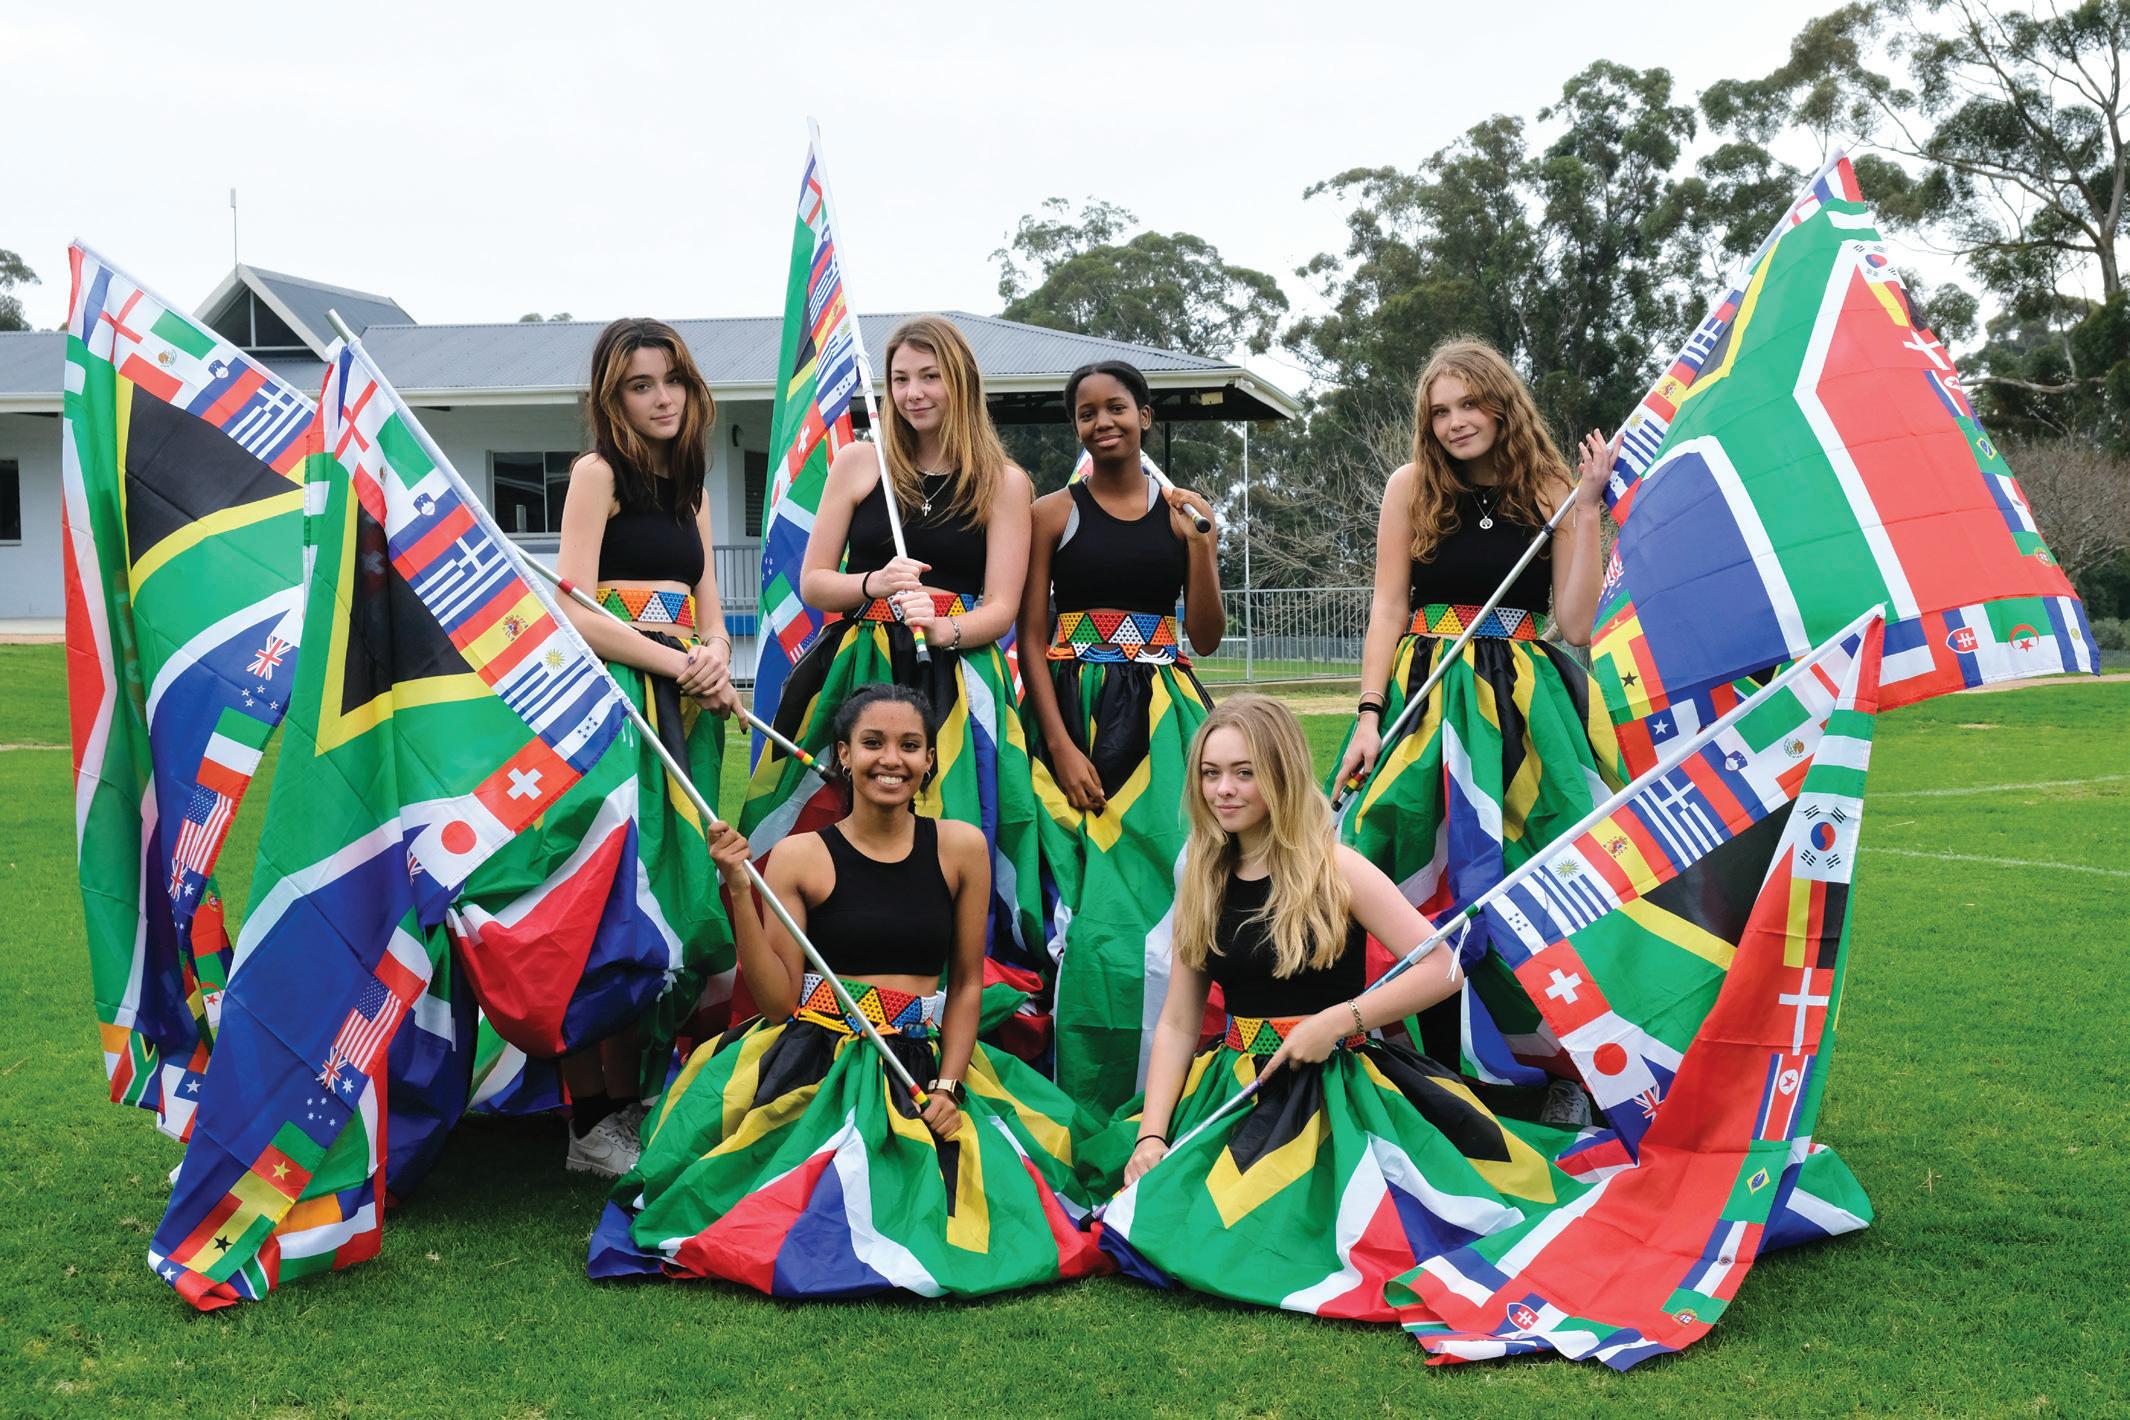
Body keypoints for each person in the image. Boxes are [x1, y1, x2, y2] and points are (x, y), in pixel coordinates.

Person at [590, 685, 1107, 1297]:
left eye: (909, 745)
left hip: (924, 1059)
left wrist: (948, 1086)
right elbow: (778, 1004)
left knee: (1003, 1196)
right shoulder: (798, 856)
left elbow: (968, 983)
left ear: (929, 760)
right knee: (779, 1210)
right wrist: (739, 888)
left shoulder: (962, 848)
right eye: (873, 743)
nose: (891, 759)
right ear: (843, 754)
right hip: (812, 1060)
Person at [1089, 696, 1578, 1321]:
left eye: (1244, 772)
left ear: (1282, 774)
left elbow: (1445, 965)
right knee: (1155, 1213)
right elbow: (1180, 1022)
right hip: (1236, 1086)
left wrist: (1339, 1020)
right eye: (1211, 773)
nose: (1223, 789)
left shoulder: (1336, 868)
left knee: (1313, 1235)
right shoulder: (1202, 879)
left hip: (1342, 1088)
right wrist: (1152, 1136)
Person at [1328, 338, 1620, 1097]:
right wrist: (1368, 714)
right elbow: (1388, 606)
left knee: (1533, 873)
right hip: (1422, 698)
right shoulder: (1410, 486)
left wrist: (1588, 507)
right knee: (1397, 864)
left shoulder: (1551, 486)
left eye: (1469, 404)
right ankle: (1410, 1059)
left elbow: (1576, 623)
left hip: (1522, 710)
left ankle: (1545, 1066)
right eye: (1440, 412)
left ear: (1502, 404)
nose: (1455, 422)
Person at [742, 316, 1049, 1009]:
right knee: (835, 811)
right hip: (858, 672)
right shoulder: (860, 463)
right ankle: (826, 981)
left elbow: (1001, 606)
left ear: (960, 382)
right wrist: (874, 583)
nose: (914, 393)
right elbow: (815, 582)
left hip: (957, 680)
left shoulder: (1005, 482)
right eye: (901, 379)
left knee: (957, 822)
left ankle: (955, 992)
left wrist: (943, 629)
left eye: (930, 377)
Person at [533, 317, 738, 1176]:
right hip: (615, 708)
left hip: (685, 712)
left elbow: (710, 613)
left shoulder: (690, 488)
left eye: (672, 380)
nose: (662, 398)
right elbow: (575, 610)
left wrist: (714, 656)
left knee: (668, 897)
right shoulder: (597, 474)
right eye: (639, 385)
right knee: (604, 897)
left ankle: (631, 1100)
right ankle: (589, 1120)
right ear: (610, 398)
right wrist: (678, 663)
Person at [1020, 360, 1221, 1117]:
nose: (1102, 422)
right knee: (1077, 891)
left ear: (1145, 415)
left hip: (1165, 720)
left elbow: (1205, 636)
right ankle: (1073, 1073)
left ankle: (1168, 1071)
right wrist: (1061, 748)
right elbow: (1031, 638)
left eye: (1116, 408)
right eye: (1086, 412)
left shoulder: (1184, 513)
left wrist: (1200, 544)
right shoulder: (1050, 513)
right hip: (1075, 711)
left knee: (1172, 880)